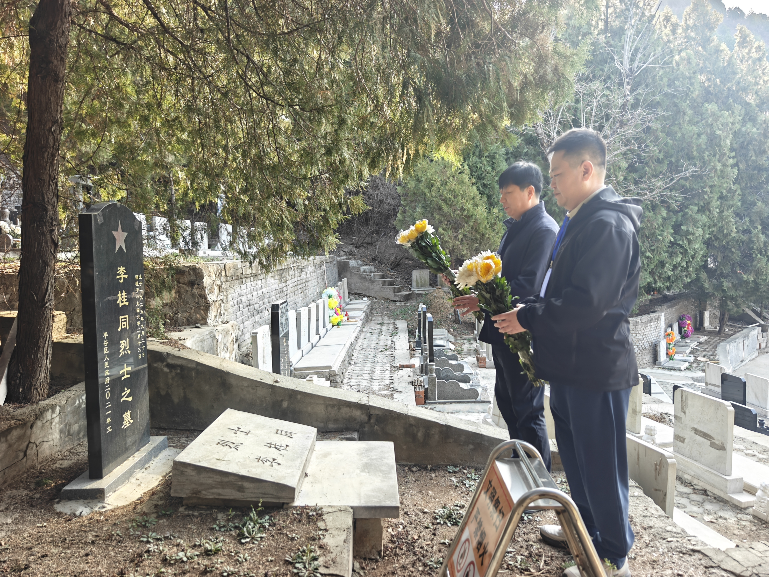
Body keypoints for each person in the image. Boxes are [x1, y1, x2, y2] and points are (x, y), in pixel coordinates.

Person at [492, 128, 642, 577]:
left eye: (557, 175)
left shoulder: (608, 225)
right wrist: (530, 312)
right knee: (576, 460)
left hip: (597, 368)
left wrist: (529, 317)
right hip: (571, 365)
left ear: (586, 169)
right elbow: (556, 289)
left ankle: (612, 555)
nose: (552, 184)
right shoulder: (581, 219)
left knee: (601, 464)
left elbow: (586, 303)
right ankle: (585, 531)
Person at [453, 161, 557, 471]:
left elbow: (527, 286)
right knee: (509, 404)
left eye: (507, 193)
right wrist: (477, 294)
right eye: (501, 194)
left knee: (528, 410)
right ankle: (520, 470)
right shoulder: (519, 226)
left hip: (522, 332)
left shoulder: (543, 230)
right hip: (504, 329)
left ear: (529, 191)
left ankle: (538, 481)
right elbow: (502, 279)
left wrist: (484, 301)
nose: (502, 200)